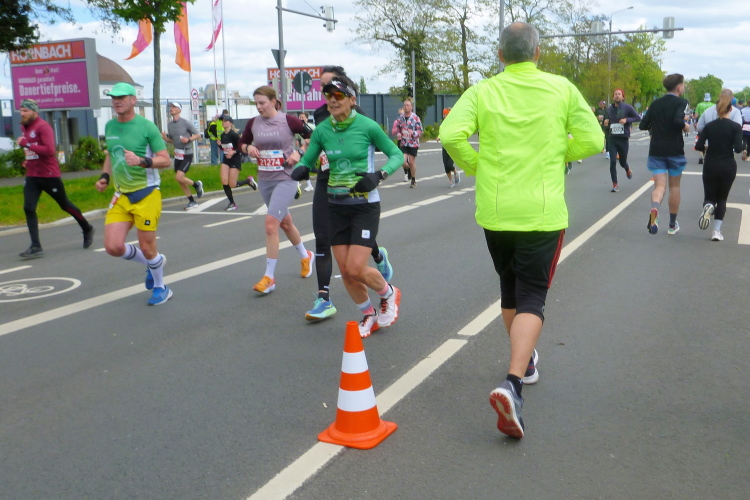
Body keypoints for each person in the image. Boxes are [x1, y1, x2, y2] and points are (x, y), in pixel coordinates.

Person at [439, 22, 603, 439]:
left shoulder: (483, 91)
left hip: (496, 211)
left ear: (500, 55)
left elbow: (450, 134)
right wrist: (559, 153)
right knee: (532, 294)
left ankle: (526, 362)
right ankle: (513, 382)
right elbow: (594, 140)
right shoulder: (561, 89)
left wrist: (478, 166)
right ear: (537, 52)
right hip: (541, 212)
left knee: (509, 288)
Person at [292, 75, 404, 337]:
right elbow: (308, 160)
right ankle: (369, 314)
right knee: (345, 271)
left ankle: (389, 293)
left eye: (338, 96)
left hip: (364, 205)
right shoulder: (322, 131)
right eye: (328, 96)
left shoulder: (368, 126)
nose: (332, 100)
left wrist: (379, 175)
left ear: (352, 100)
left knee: (355, 267)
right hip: (335, 205)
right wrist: (300, 169)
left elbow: (396, 154)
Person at [95, 82, 173, 306]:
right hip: (121, 195)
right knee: (113, 247)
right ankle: (153, 263)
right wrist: (105, 177)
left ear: (133, 100)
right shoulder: (110, 126)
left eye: (121, 97)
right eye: (114, 98)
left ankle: (161, 287)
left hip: (146, 193)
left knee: (147, 247)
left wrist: (141, 160)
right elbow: (110, 154)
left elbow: (165, 160)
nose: (117, 101)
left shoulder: (147, 127)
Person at [239, 86, 314, 294]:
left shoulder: (288, 121)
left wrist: (300, 152)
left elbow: (313, 137)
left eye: (262, 103)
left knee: (271, 224)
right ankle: (306, 256)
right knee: (285, 223)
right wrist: (248, 148)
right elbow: (242, 142)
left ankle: (269, 277)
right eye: (256, 103)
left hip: (286, 177)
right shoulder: (253, 123)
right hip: (265, 179)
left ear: (273, 102)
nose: (259, 107)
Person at [16, 98, 95, 259]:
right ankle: (36, 246)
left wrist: (27, 145)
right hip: (32, 175)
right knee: (28, 208)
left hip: (49, 175)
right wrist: (28, 158)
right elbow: (32, 149)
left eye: (25, 111)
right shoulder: (25, 127)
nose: (22, 114)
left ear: (34, 112)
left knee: (64, 205)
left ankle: (87, 227)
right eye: (21, 111)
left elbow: (49, 150)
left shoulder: (43, 127)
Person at [638, 73, 691, 236]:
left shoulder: (655, 103)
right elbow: (677, 121)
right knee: (674, 186)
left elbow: (642, 125)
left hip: (656, 150)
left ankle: (655, 208)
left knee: (659, 186)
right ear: (679, 87)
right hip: (674, 150)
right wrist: (685, 126)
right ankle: (672, 225)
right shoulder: (682, 103)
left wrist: (657, 126)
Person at [695, 89, 744, 241]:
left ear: (716, 110)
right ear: (731, 109)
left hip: (711, 163)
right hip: (728, 164)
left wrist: (706, 147)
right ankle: (716, 231)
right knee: (722, 198)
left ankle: (708, 206)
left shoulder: (709, 126)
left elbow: (698, 146)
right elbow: (738, 148)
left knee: (709, 195)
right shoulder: (735, 127)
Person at [161, 102, 204, 209]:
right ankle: (192, 201)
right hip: (178, 154)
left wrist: (188, 139)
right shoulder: (170, 125)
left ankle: (196, 185)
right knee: (180, 180)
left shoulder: (185, 123)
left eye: (174, 107)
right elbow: (173, 140)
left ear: (179, 110)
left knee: (179, 177)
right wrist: (165, 138)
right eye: (171, 107)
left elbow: (198, 135)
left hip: (187, 153)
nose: (171, 108)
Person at [604, 88, 640, 192]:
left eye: (619, 94)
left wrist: (626, 120)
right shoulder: (609, 109)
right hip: (612, 138)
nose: (617, 95)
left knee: (622, 162)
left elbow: (638, 118)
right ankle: (615, 184)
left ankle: (627, 169)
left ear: (623, 97)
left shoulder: (628, 107)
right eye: (615, 94)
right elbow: (606, 121)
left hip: (623, 139)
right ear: (613, 97)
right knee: (612, 161)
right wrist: (606, 122)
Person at [218, 115, 257, 210]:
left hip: (235, 159)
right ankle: (232, 203)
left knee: (232, 184)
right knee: (224, 181)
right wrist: (219, 145)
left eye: (225, 121)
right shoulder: (222, 135)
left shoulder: (234, 135)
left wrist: (233, 152)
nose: (223, 122)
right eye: (222, 121)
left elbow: (241, 147)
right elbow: (225, 148)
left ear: (230, 123)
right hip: (226, 160)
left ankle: (248, 181)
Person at [392, 98, 423, 188]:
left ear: (411, 107)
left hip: (413, 143)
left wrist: (413, 133)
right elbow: (397, 128)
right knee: (402, 161)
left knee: (412, 162)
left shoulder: (415, 118)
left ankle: (413, 180)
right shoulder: (400, 118)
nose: (406, 107)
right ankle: (410, 169)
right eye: (404, 105)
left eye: (407, 105)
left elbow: (420, 131)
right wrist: (398, 133)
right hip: (404, 143)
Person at [441, 108, 461, 187]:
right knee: (446, 166)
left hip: (452, 146)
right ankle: (451, 181)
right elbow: (441, 132)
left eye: (446, 114)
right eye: (443, 114)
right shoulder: (443, 124)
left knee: (449, 164)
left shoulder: (454, 124)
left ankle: (456, 172)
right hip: (445, 146)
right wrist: (439, 137)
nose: (444, 116)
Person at [694, 93, 714, 165]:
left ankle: (701, 156)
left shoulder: (699, 105)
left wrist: (695, 122)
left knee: (701, 140)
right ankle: (708, 154)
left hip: (701, 124)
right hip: (711, 124)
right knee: (710, 140)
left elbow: (696, 116)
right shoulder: (713, 105)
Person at [298, 112, 315, 192]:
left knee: (311, 169)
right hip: (303, 150)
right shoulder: (299, 127)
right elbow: (298, 138)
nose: (301, 119)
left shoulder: (311, 127)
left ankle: (327, 173)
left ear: (307, 119)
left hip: (312, 150)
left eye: (302, 117)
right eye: (300, 117)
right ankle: (309, 185)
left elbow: (318, 136)